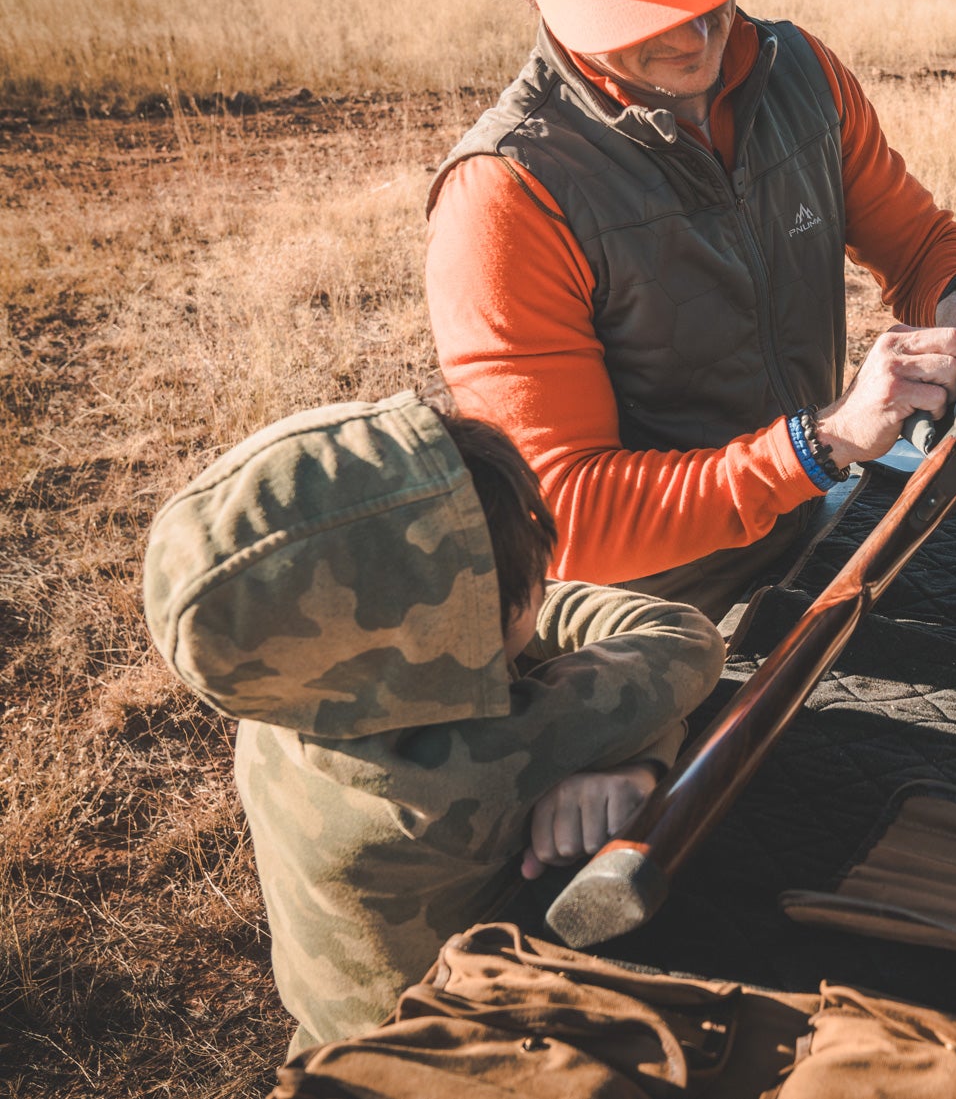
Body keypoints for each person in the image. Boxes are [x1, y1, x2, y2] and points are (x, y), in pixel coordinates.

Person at [425, 0, 956, 619]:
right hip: (652, 625)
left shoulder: (804, 76)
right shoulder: (508, 192)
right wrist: (821, 442)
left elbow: (917, 240)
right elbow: (565, 514)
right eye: (644, 13)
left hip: (817, 539)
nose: (696, 34)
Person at [143, 393, 725, 1050]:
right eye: (531, 578)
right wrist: (650, 750)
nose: (545, 577)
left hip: (326, 1038)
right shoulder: (461, 771)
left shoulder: (288, 691)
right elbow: (684, 641)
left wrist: (499, 603)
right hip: (447, 1053)